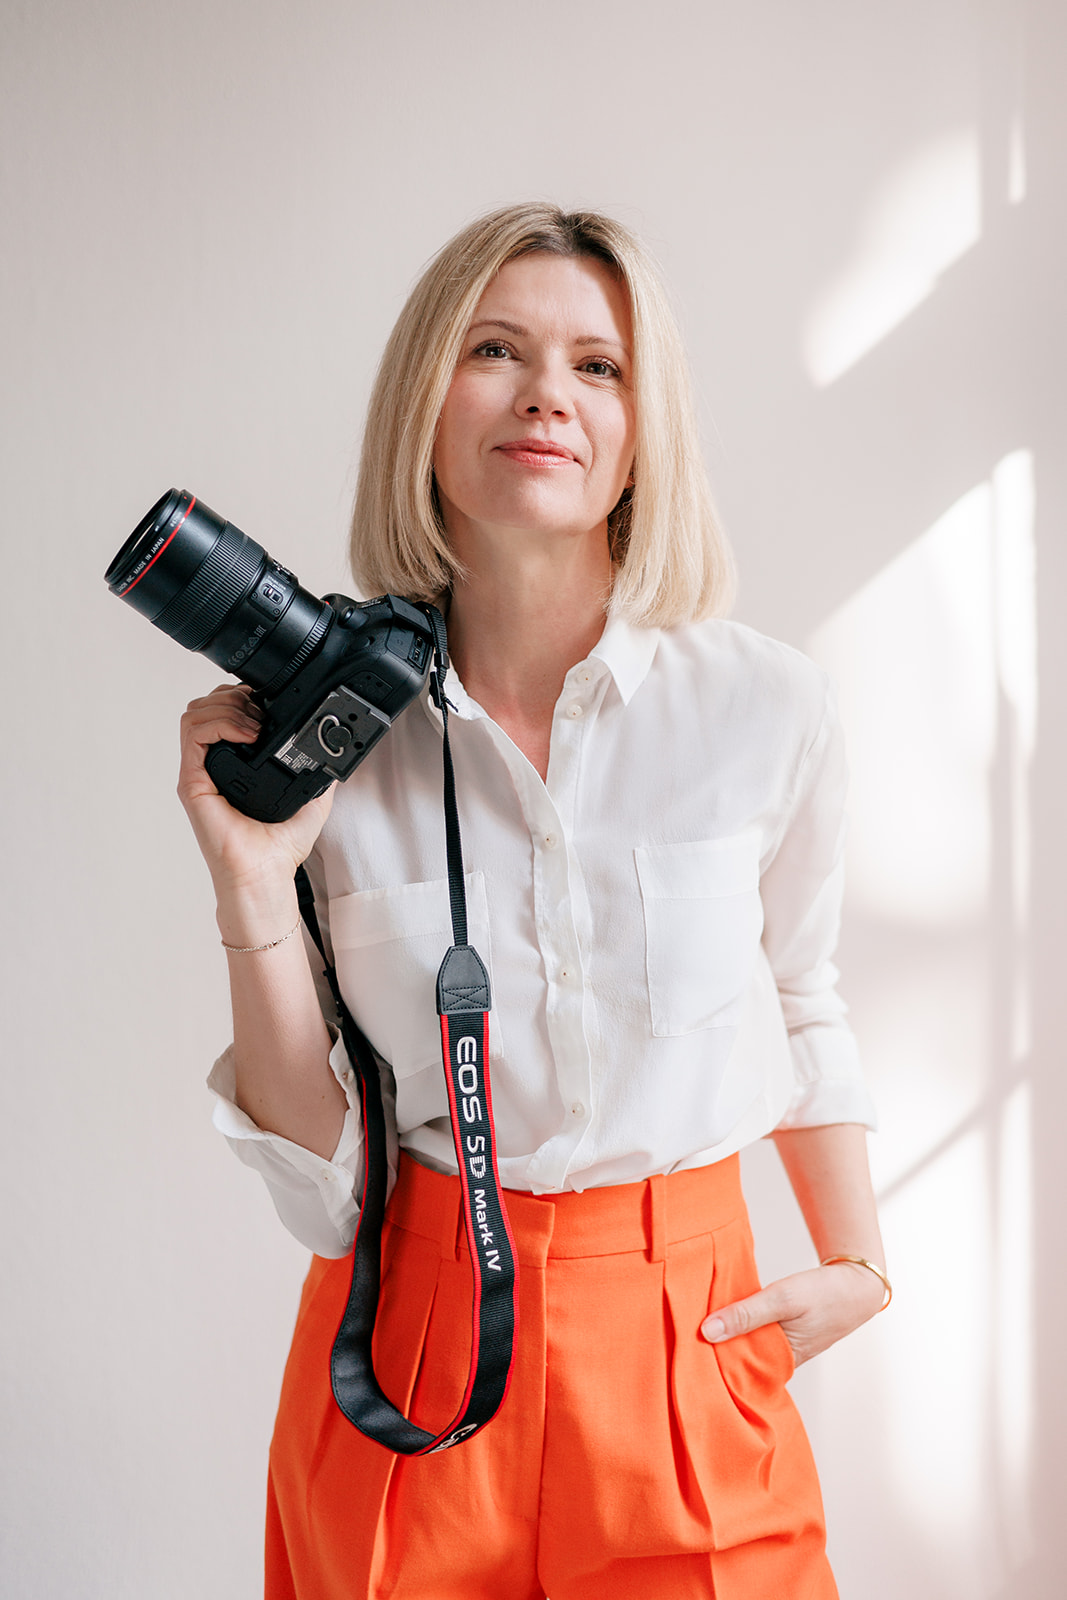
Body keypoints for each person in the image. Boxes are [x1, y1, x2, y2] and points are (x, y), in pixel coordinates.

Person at [179, 204, 888, 1600]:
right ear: (427, 402)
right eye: (494, 349)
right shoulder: (331, 732)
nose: (547, 394)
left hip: (688, 1333)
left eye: (599, 366)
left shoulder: (763, 706)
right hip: (412, 1342)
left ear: (642, 425)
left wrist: (860, 1259)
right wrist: (252, 890)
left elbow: (803, 993)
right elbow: (327, 1191)